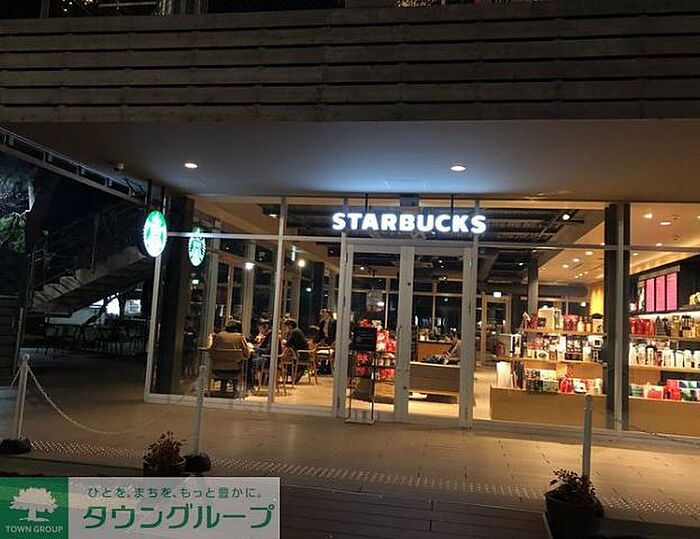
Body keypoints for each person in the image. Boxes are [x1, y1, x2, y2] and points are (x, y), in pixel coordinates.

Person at [210, 318, 250, 395]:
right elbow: (246, 353)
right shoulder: (240, 337)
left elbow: (211, 351)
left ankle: (222, 389)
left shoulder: (219, 336)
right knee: (237, 363)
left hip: (218, 369)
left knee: (224, 363)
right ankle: (235, 390)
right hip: (235, 369)